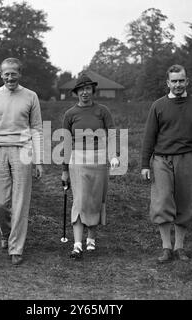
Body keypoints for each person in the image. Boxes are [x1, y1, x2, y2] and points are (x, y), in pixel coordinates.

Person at [140, 64, 192, 263]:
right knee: (162, 201)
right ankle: (166, 248)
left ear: (187, 81)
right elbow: (149, 137)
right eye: (174, 81)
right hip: (161, 160)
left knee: (186, 202)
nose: (178, 84)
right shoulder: (158, 106)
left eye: (181, 80)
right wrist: (145, 165)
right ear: (168, 83)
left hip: (188, 159)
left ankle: (179, 247)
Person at [0, 57, 44, 266]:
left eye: (14, 73)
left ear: (20, 74)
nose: (10, 77)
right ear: (1, 75)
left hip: (23, 151)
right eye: (6, 73)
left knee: (20, 201)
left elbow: (37, 129)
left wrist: (39, 161)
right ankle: (5, 232)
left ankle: (16, 247)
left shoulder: (31, 96)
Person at [61, 74, 120, 260]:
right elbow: (66, 143)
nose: (84, 92)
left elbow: (111, 135)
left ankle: (91, 238)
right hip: (77, 160)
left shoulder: (103, 111)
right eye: (81, 89)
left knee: (95, 199)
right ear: (76, 92)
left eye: (88, 89)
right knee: (79, 200)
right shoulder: (70, 114)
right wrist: (64, 170)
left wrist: (114, 155)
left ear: (93, 91)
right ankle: (77, 244)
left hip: (99, 160)